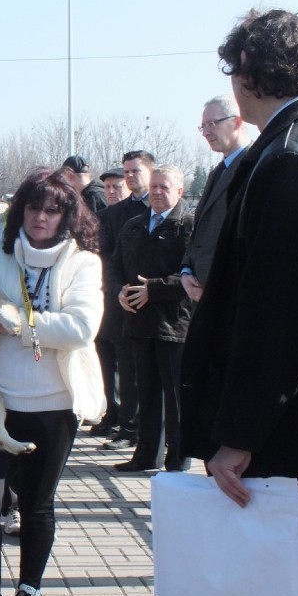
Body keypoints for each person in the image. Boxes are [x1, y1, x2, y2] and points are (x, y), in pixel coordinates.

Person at [0, 169, 103, 596]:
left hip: (55, 403)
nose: (41, 217)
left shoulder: (84, 264)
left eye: (53, 210)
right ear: (20, 210)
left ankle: (30, 591)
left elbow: (81, 328)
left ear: (67, 216)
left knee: (38, 505)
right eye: (34, 208)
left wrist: (20, 321)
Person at [181, 8, 298, 510]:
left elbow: (277, 314)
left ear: (247, 66)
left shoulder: (286, 161)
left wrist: (240, 433)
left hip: (286, 430)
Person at [107, 166, 193, 473]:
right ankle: (147, 455)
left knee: (176, 395)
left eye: (164, 187)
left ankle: (179, 458)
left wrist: (152, 290)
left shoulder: (188, 226)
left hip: (173, 324)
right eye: (154, 186)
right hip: (137, 322)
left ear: (179, 191)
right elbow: (114, 266)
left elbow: (192, 275)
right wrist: (118, 291)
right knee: (146, 392)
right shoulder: (133, 225)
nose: (157, 191)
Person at [95, 150, 155, 449]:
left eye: (136, 171)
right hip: (121, 298)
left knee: (152, 370)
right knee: (127, 367)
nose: (130, 176)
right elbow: (106, 253)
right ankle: (128, 427)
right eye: (127, 171)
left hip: (154, 297)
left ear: (150, 171)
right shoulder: (114, 214)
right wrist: (117, 286)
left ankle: (155, 431)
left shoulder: (160, 207)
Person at [181, 94, 250, 303]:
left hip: (233, 297)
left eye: (212, 123)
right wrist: (186, 271)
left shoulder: (254, 167)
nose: (206, 132)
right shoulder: (217, 173)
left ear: (237, 121)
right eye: (202, 126)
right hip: (204, 297)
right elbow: (199, 233)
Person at [90, 165, 130, 437]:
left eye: (118, 186)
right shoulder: (101, 217)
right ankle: (111, 413)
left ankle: (130, 422)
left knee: (127, 364)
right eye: (108, 188)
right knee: (105, 359)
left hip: (126, 295)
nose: (112, 192)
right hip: (101, 294)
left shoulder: (137, 215)